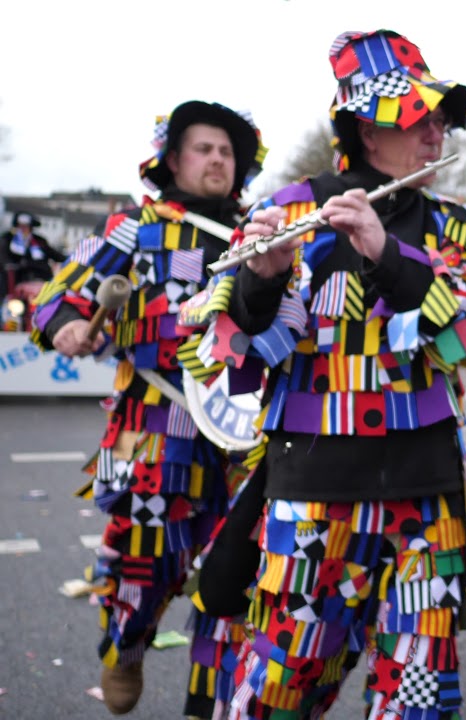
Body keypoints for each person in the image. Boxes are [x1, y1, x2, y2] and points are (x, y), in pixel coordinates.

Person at [187, 30, 466, 720]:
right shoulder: (291, 207)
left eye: (442, 122)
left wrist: (387, 252)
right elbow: (232, 348)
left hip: (427, 494)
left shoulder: (459, 226)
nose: (436, 137)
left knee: (417, 699)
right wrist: (261, 279)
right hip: (314, 488)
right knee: (281, 684)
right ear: (367, 128)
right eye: (422, 120)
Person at [29, 100, 267, 717]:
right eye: (204, 148)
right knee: (142, 569)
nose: (218, 159)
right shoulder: (129, 229)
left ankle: (213, 704)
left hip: (245, 431)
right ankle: (126, 649)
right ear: (173, 159)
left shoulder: (261, 234)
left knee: (239, 579)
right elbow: (57, 296)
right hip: (156, 427)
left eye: (227, 151)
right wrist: (66, 325)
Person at [1, 211, 66, 299]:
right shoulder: (7, 239)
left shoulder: (39, 241)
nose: (24, 229)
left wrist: (71, 258)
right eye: (21, 226)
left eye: (27, 226)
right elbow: (3, 256)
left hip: (40, 279)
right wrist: (9, 265)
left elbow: (55, 255)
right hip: (16, 279)